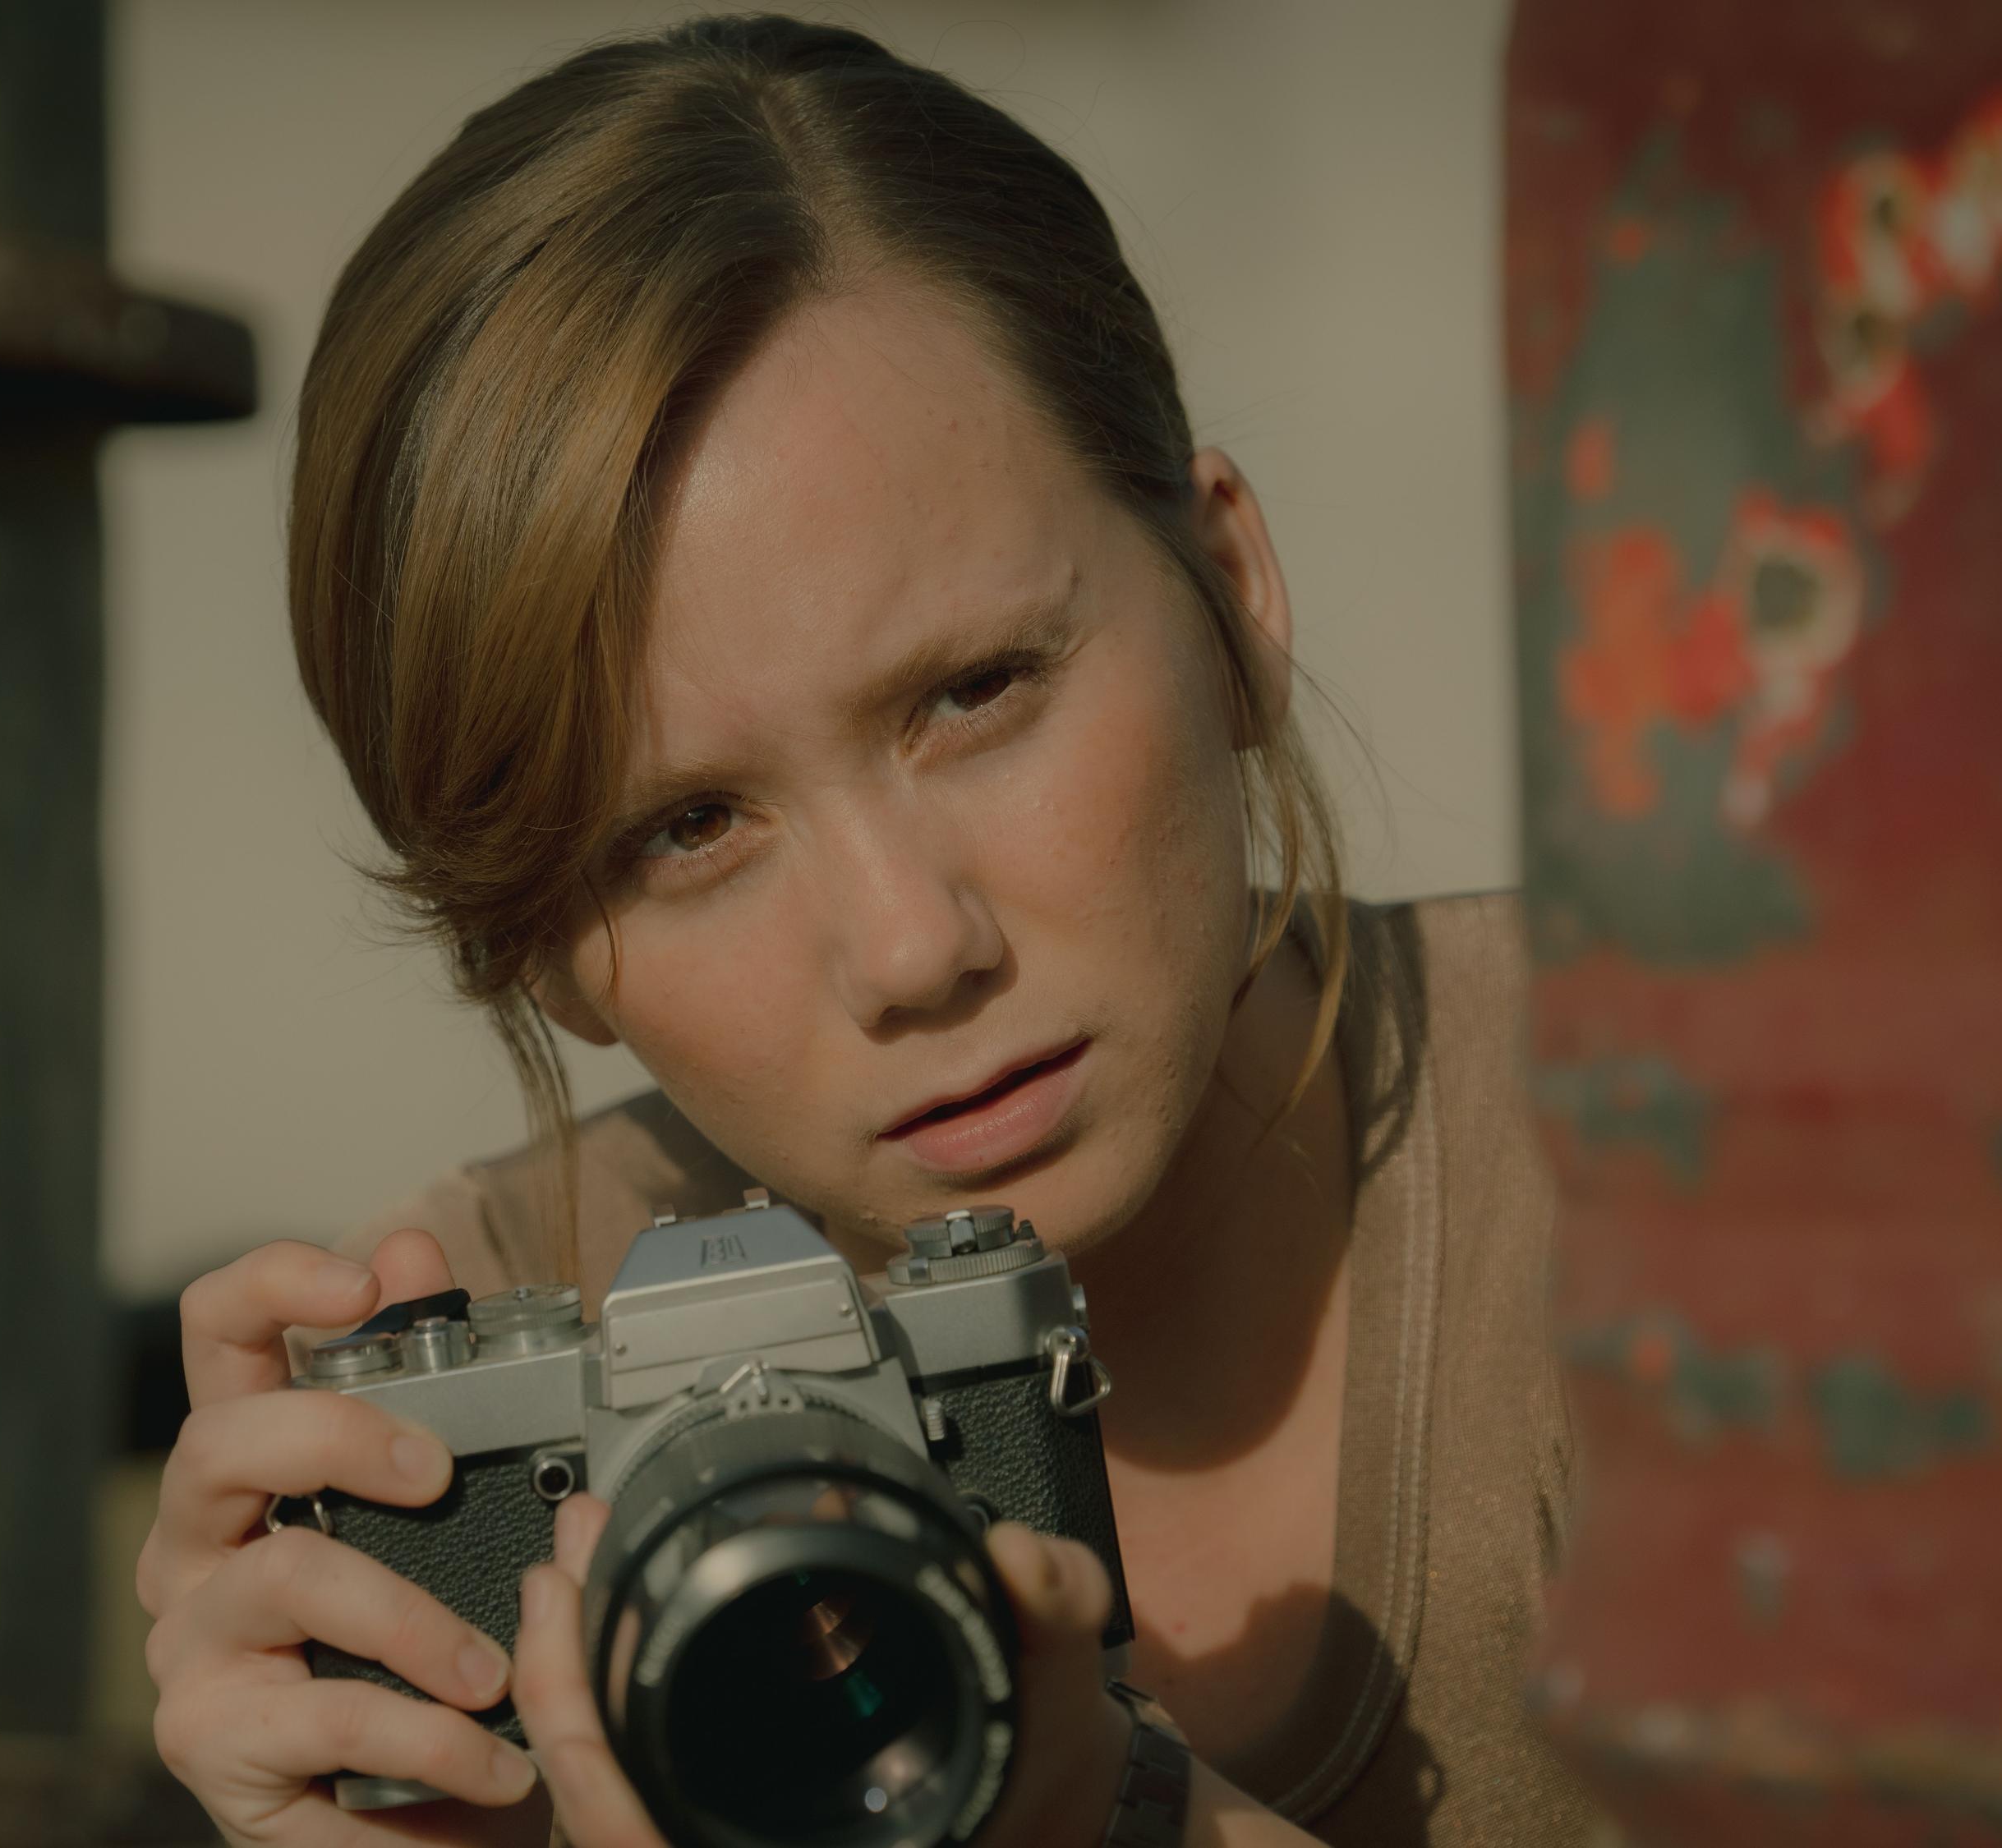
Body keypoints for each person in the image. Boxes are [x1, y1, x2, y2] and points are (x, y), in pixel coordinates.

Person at [133, 16, 1593, 1846]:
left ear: (1228, 591)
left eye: (976, 691)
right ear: (537, 947)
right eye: (686, 829)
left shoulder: (1668, 1165)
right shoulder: (474, 1396)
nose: (913, 951)